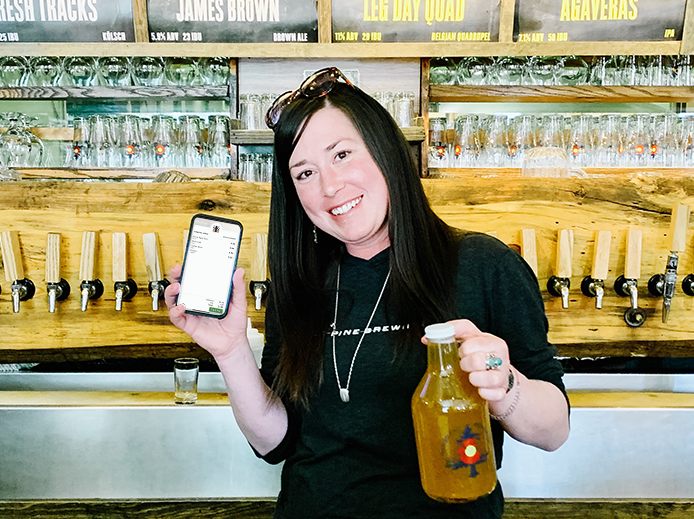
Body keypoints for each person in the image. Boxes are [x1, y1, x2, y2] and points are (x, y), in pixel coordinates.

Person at [166, 67, 570, 519]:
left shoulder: (482, 264)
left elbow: (553, 430)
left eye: (342, 154)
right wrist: (230, 348)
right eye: (304, 173)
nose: (329, 186)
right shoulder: (299, 285)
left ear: (386, 151)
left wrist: (505, 385)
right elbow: (276, 442)